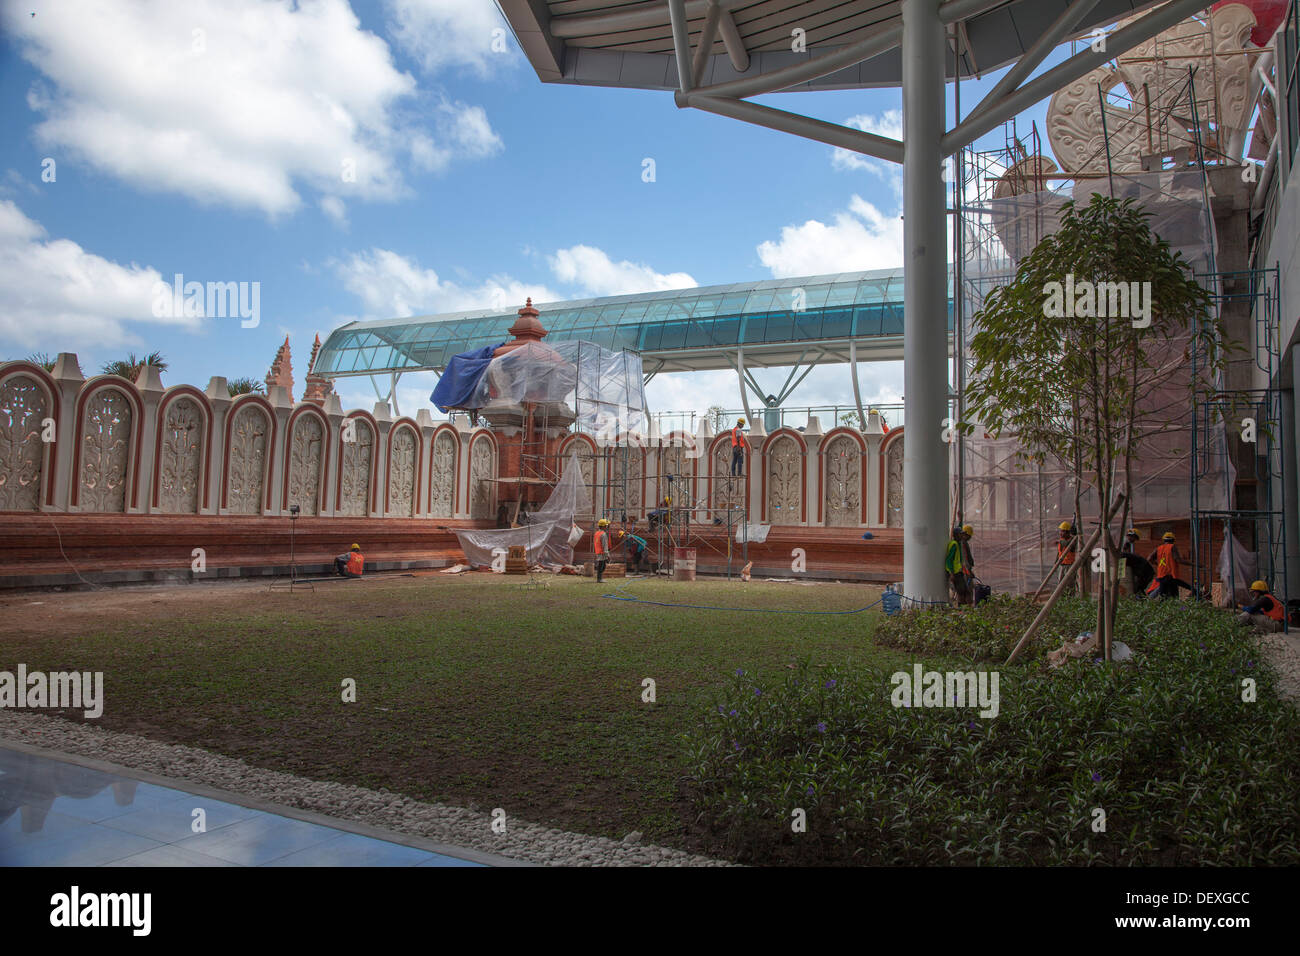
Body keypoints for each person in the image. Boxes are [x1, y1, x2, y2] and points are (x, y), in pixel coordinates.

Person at [1147, 531, 1195, 598]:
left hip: (1161, 575)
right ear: (1173, 540)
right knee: (1174, 596)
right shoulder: (1172, 547)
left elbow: (1149, 558)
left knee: (1163, 595)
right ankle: (1195, 591)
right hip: (1170, 575)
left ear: (1164, 540)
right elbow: (1178, 560)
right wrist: (1194, 564)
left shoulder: (1159, 548)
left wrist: (1158, 564)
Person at [946, 524, 975, 607]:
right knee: (962, 592)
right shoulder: (955, 545)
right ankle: (962, 609)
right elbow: (949, 560)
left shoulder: (959, 544)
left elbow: (961, 561)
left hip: (959, 572)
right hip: (956, 573)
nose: (962, 536)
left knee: (965, 592)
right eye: (960, 534)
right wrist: (951, 573)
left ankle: (966, 608)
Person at [1120, 528, 1155, 597]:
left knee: (1139, 587)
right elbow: (1123, 555)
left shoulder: (1126, 542)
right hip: (1144, 570)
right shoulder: (1125, 542)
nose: (1134, 541)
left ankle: (1140, 596)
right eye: (1135, 538)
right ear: (1132, 536)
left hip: (1143, 570)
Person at [1056, 521, 1078, 594]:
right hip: (1062, 565)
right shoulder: (1062, 540)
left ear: (1067, 532)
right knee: (1060, 584)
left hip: (1069, 565)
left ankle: (1070, 599)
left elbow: (1067, 544)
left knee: (1070, 584)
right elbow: (1059, 553)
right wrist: (1056, 562)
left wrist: (1059, 542)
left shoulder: (1072, 540)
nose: (1060, 533)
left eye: (1062, 531)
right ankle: (1062, 598)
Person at [593, 518, 611, 583]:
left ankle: (599, 578)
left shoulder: (596, 533)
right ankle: (599, 579)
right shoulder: (603, 534)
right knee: (602, 566)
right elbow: (605, 545)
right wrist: (607, 554)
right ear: (603, 526)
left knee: (601, 565)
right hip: (602, 552)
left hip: (598, 551)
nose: (607, 527)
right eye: (606, 525)